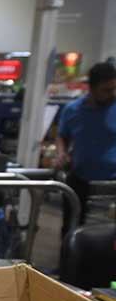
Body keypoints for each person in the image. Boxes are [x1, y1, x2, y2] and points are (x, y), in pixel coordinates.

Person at [56, 61, 116, 235]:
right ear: (92, 88)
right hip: (80, 179)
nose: (112, 94)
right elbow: (62, 135)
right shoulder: (72, 110)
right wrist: (61, 153)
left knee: (108, 234)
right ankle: (69, 262)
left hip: (113, 182)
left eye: (114, 88)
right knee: (71, 229)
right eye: (107, 90)